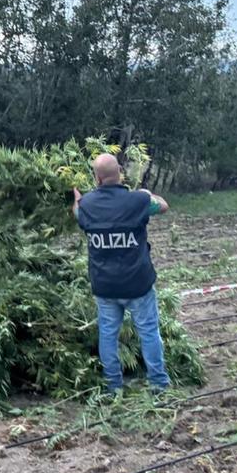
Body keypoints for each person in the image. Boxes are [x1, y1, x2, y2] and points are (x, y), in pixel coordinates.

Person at [73, 153, 171, 394]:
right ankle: (158, 384)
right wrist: (148, 194)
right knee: (148, 332)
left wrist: (77, 199)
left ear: (97, 178)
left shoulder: (87, 205)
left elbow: (77, 212)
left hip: (105, 286)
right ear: (120, 173)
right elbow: (164, 206)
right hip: (137, 284)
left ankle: (112, 386)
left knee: (108, 335)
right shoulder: (136, 201)